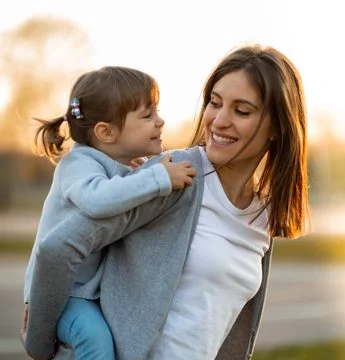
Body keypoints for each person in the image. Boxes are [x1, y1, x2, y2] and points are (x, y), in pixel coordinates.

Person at [22, 43, 309, 360]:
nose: (218, 120)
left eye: (242, 111)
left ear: (278, 128)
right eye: (215, 103)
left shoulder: (262, 215)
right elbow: (57, 248)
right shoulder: (172, 177)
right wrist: (37, 342)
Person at [22, 66, 197, 360]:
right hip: (62, 296)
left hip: (88, 292)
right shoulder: (78, 164)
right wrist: (158, 179)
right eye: (147, 115)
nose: (160, 121)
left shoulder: (128, 165)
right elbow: (98, 201)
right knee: (96, 339)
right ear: (106, 132)